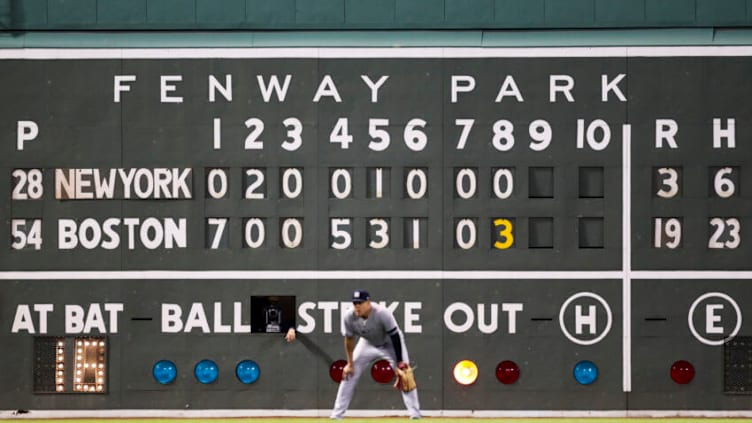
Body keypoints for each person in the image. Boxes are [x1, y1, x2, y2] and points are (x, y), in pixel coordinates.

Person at [331, 290, 421, 420]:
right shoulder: (349, 316)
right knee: (348, 375)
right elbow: (349, 340)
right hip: (367, 343)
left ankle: (415, 415)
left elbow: (394, 336)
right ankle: (336, 415)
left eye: (360, 303)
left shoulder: (382, 313)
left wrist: (400, 362)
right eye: (355, 303)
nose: (357, 306)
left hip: (389, 343)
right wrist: (350, 364)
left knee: (405, 376)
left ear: (368, 302)